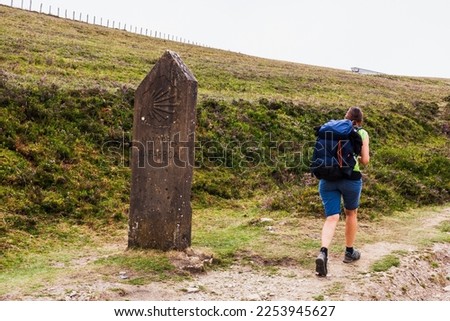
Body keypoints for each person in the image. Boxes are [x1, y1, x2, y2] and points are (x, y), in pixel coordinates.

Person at [315, 106, 370, 277]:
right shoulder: (361, 133)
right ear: (359, 121)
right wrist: (355, 157)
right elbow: (365, 160)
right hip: (350, 178)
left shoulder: (331, 129)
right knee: (351, 213)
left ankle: (323, 252)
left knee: (332, 217)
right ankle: (349, 252)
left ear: (346, 117)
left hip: (327, 178)